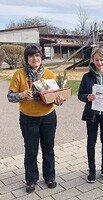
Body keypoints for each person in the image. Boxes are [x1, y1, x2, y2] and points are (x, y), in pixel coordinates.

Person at [7, 45, 64, 193]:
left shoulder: (49, 74)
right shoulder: (19, 75)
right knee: (31, 150)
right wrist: (21, 95)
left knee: (48, 149)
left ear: (41, 57)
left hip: (48, 117)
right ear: (27, 58)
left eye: (37, 55)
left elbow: (57, 97)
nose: (35, 58)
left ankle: (49, 176)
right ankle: (31, 180)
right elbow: (10, 96)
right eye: (31, 56)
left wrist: (59, 100)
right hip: (28, 118)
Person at [78, 48, 103, 183]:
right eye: (96, 60)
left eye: (101, 60)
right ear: (93, 61)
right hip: (92, 114)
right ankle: (91, 170)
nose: (99, 62)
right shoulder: (87, 77)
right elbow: (80, 94)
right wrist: (87, 97)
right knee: (91, 142)